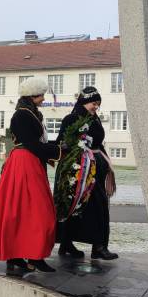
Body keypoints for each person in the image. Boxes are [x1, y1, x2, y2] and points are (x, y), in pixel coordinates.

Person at [0, 78, 62, 274]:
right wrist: (58, 151)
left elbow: (37, 143)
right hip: (24, 163)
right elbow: (32, 143)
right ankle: (19, 257)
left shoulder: (31, 113)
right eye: (42, 95)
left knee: (30, 212)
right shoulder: (22, 116)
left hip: (31, 163)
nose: (44, 98)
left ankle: (32, 257)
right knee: (29, 211)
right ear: (33, 96)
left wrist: (56, 147)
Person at [54, 86, 118, 261]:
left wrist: (105, 161)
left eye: (98, 104)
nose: (96, 107)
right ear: (83, 102)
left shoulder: (94, 120)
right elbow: (63, 142)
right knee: (73, 206)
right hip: (77, 171)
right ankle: (66, 243)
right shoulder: (71, 119)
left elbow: (98, 143)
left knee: (99, 207)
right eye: (93, 103)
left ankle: (99, 246)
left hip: (94, 171)